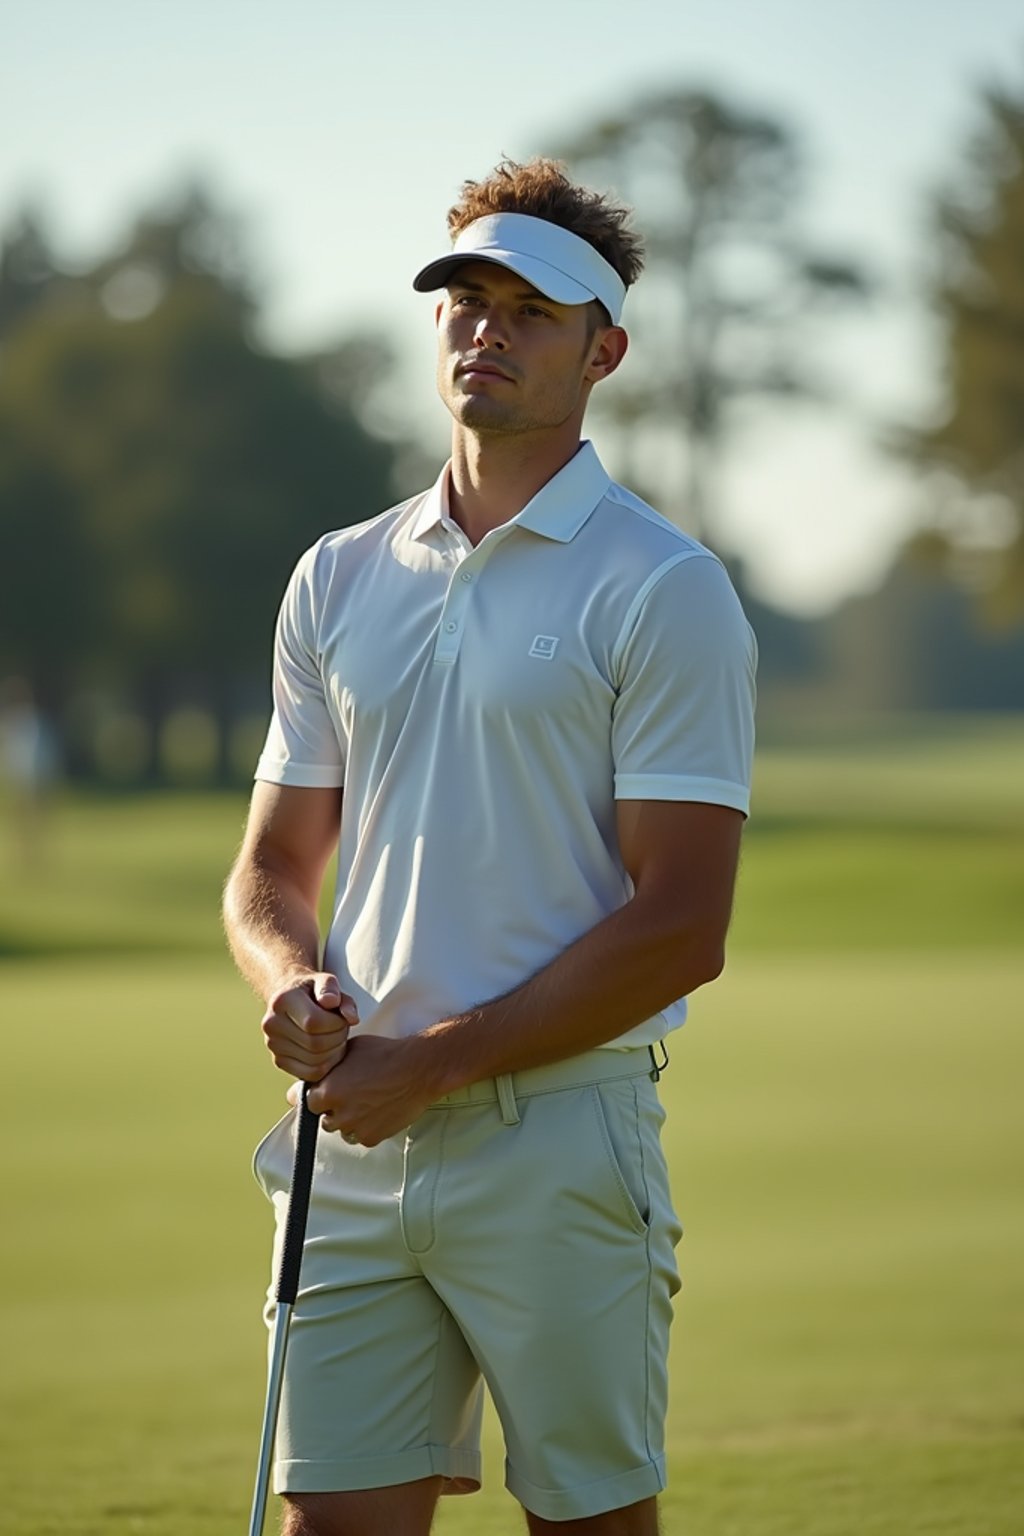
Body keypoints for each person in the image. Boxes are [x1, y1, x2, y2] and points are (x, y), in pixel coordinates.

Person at [223, 156, 756, 1536]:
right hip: (351, 1134)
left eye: (532, 309)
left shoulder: (663, 586)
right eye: (466, 299)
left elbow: (681, 923)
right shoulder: (339, 574)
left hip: (559, 1137)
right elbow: (274, 869)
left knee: (586, 1526)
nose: (487, 331)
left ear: (606, 351)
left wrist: (435, 1065)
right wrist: (289, 979)